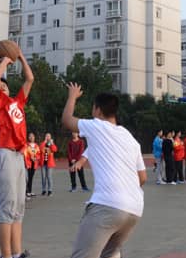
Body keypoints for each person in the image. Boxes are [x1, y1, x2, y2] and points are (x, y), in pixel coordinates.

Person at [61, 83, 147, 258]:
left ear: (98, 110)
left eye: (93, 108)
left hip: (108, 205)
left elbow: (67, 120)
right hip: (134, 209)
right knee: (110, 254)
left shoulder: (96, 126)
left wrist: (72, 96)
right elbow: (143, 177)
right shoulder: (129, 137)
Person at [0, 52, 34, 258]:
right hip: (5, 153)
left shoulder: (17, 102)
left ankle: (16, 253)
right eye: (1, 85)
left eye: (6, 85)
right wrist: (5, 60)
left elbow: (30, 78)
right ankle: (5, 256)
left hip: (18, 156)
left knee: (19, 207)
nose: (4, 85)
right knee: (8, 207)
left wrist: (21, 56)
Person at [24, 133, 40, 197]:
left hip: (34, 163)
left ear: (34, 137)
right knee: (27, 178)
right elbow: (25, 154)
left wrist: (35, 158)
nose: (31, 137)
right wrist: (30, 158)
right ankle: (27, 191)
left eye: (32, 136)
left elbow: (38, 153)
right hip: (28, 164)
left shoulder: (36, 146)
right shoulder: (26, 145)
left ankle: (29, 191)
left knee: (31, 178)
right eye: (30, 136)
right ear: (28, 138)